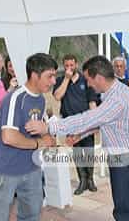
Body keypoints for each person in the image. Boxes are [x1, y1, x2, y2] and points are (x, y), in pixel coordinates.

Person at [26, 55, 129, 221]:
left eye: (89, 80)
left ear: (99, 77)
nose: (88, 84)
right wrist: (81, 134)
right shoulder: (118, 89)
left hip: (125, 158)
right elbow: (106, 122)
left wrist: (49, 127)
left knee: (124, 208)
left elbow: (87, 118)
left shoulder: (117, 100)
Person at [0, 53, 57, 221]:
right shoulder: (15, 98)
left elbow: (39, 128)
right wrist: (40, 143)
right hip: (7, 171)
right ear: (35, 75)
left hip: (32, 169)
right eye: (50, 76)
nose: (53, 81)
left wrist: (48, 136)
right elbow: (8, 137)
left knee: (32, 215)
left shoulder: (40, 99)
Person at [53, 54, 99, 195]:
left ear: (76, 65)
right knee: (77, 152)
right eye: (66, 65)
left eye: (71, 65)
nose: (69, 68)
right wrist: (67, 79)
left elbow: (92, 102)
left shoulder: (86, 80)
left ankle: (90, 179)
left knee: (89, 151)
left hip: (85, 122)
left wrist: (96, 121)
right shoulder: (61, 80)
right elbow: (57, 96)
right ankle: (82, 180)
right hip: (70, 123)